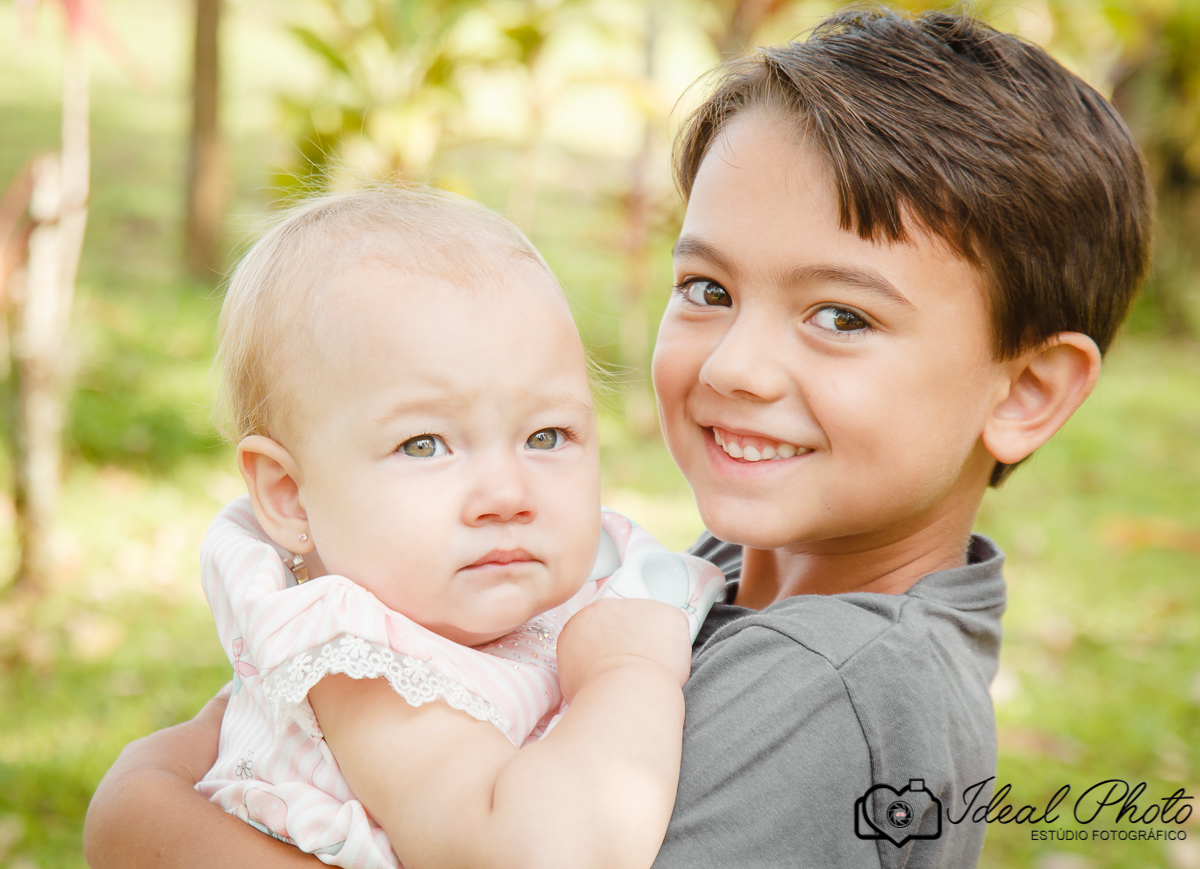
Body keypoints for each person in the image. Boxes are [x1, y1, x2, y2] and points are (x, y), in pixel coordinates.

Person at [83, 7, 1152, 868]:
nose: (734, 362)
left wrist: (141, 810)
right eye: (706, 286)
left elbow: (154, 794)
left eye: (842, 315)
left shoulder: (823, 688)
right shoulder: (704, 583)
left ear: (1026, 390)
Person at [177, 187, 725, 869]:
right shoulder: (362, 663)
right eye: (425, 444)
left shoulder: (582, 576)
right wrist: (627, 670)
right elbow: (541, 853)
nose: (505, 494)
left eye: (546, 435)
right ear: (290, 497)